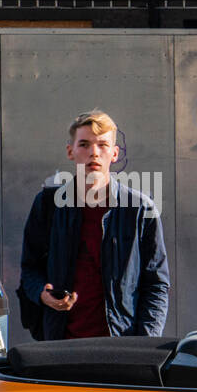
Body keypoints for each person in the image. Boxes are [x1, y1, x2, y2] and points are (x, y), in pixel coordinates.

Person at [19, 110, 169, 340]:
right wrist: (42, 294)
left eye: (102, 145)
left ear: (115, 153)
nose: (94, 153)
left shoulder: (139, 209)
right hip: (61, 346)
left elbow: (156, 285)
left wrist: (144, 345)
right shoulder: (48, 204)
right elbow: (30, 269)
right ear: (71, 151)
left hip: (120, 347)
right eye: (84, 144)